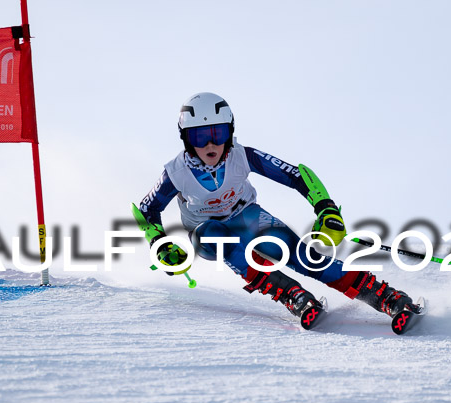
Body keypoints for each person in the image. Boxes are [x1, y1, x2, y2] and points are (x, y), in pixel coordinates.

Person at [136, 92, 420, 329]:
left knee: (297, 254)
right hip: (207, 230)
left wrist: (326, 209)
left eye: (217, 132)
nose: (210, 144)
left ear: (230, 132)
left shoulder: (242, 155)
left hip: (246, 215)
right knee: (214, 236)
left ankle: (387, 297)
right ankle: (291, 294)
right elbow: (147, 211)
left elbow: (297, 175)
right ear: (186, 139)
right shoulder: (176, 173)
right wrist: (161, 245)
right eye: (199, 137)